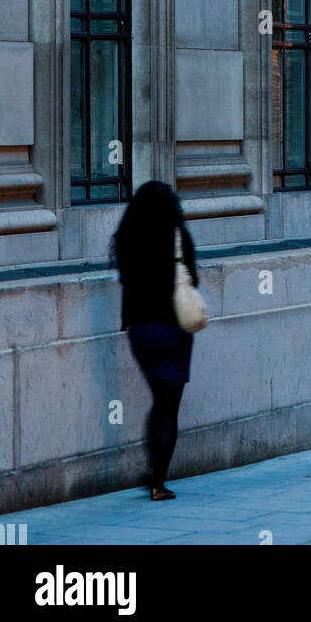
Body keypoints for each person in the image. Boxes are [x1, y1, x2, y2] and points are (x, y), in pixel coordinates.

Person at [111, 181, 199, 499]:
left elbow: (124, 281)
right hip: (173, 328)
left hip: (141, 330)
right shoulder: (178, 237)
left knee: (157, 401)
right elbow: (194, 280)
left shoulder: (127, 239)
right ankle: (158, 482)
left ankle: (153, 474)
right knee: (167, 406)